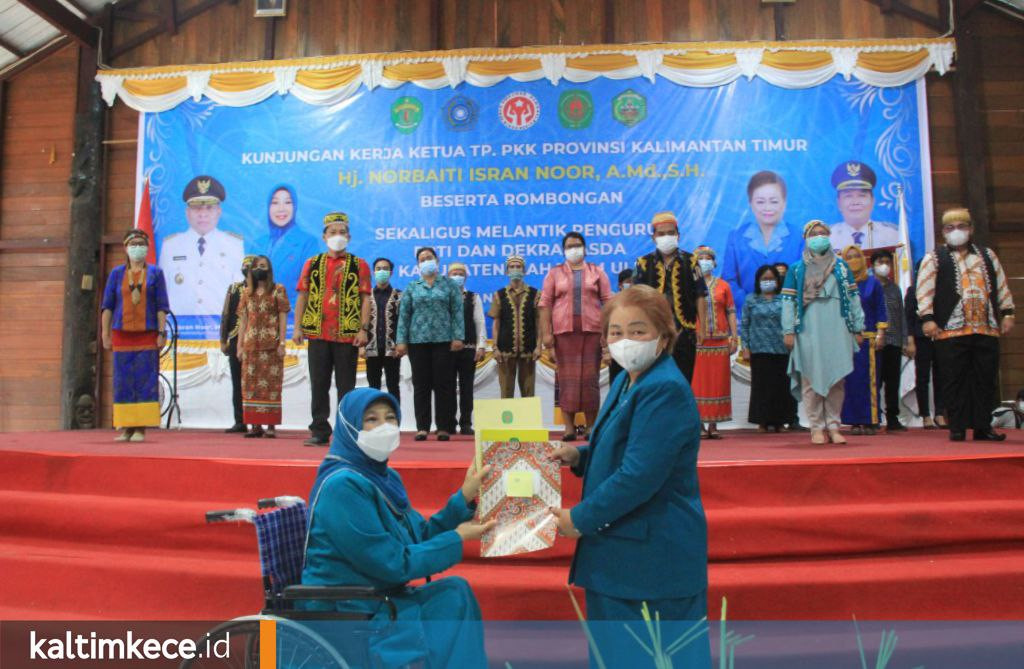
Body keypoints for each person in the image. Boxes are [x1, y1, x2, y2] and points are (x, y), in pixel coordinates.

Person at [549, 284, 709, 668]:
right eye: (616, 332)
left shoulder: (664, 388)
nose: (625, 341)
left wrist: (579, 519)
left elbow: (639, 475)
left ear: (664, 335)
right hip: (619, 552)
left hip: (651, 556)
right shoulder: (627, 379)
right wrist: (578, 456)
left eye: (638, 331)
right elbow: (624, 448)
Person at [301, 387, 492, 668]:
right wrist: (457, 538)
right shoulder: (342, 486)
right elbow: (392, 563)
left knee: (455, 592)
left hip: (377, 596)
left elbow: (419, 536)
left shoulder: (382, 477)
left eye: (391, 418)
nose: (385, 427)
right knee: (451, 601)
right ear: (349, 427)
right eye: (372, 420)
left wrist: (464, 497)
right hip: (349, 609)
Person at [916, 208, 1015, 442]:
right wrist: (927, 319)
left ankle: (983, 427)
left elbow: (1001, 285)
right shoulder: (934, 258)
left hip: (986, 327)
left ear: (970, 229)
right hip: (950, 330)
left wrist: (1008, 313)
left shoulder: (987, 255)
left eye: (961, 226)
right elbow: (924, 290)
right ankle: (957, 427)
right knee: (954, 380)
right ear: (943, 232)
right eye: (950, 228)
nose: (956, 232)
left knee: (985, 379)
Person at [782, 221, 865, 445]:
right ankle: (816, 428)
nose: (819, 237)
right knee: (810, 378)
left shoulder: (841, 267)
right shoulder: (797, 268)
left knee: (837, 378)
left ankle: (835, 426)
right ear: (806, 239)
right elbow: (788, 301)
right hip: (808, 327)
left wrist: (858, 327)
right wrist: (788, 330)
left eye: (823, 233)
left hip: (837, 325)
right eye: (814, 234)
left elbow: (854, 298)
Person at [293, 212, 372, 446]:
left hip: (347, 334)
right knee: (319, 383)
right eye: (332, 232)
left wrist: (363, 329)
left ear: (349, 236)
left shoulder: (359, 265)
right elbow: (302, 296)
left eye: (342, 233)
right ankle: (319, 429)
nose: (337, 236)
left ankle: (346, 430)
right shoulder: (312, 263)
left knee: (347, 385)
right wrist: (297, 327)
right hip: (317, 333)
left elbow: (366, 299)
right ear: (324, 236)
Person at [540, 232, 612, 441]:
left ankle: (591, 427)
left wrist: (609, 334)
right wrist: (547, 335)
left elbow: (608, 301)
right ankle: (569, 428)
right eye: (570, 246)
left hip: (592, 334)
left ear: (585, 248)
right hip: (564, 335)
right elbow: (545, 304)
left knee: (590, 380)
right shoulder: (555, 274)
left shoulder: (597, 272)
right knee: (566, 381)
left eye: (578, 245)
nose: (574, 249)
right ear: (564, 250)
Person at [100, 229, 170, 442]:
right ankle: (126, 427)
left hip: (147, 334)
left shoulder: (156, 274)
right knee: (123, 380)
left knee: (144, 379)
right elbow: (107, 306)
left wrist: (161, 332)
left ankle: (140, 427)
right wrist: (105, 333)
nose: (137, 248)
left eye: (141, 244)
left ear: (147, 248)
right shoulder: (116, 273)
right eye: (133, 244)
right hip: (121, 333)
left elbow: (161, 307)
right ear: (126, 247)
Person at [396, 247, 465, 442]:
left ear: (437, 260)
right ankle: (422, 427)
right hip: (417, 341)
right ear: (418, 264)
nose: (426, 261)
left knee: (443, 384)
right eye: (422, 259)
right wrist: (401, 341)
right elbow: (404, 316)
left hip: (444, 340)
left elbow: (457, 312)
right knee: (421, 384)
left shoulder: (449, 285)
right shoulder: (412, 287)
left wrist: (458, 336)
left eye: (429, 257)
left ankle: (443, 427)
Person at [633, 211, 707, 381]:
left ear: (678, 235)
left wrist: (701, 327)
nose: (666, 236)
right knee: (655, 379)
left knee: (684, 378)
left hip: (685, 330)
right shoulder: (643, 263)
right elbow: (636, 299)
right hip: (653, 331)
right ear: (653, 237)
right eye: (661, 233)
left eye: (670, 233)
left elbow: (701, 294)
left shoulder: (691, 261)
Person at [721, 171, 804, 318]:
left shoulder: (798, 237)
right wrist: (750, 303)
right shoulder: (736, 237)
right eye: (760, 201)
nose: (767, 208)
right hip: (747, 317)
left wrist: (782, 304)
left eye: (774, 201)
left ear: (784, 203)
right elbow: (729, 280)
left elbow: (803, 278)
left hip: (789, 316)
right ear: (750, 204)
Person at [159, 175, 244, 316]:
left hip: (219, 329)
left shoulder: (234, 245)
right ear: (187, 213)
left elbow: (239, 293)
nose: (203, 214)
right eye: (197, 208)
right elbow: (162, 292)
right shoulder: (170, 246)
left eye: (209, 208)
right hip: (180, 330)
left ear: (218, 212)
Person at [236, 255, 290, 438]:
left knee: (271, 386)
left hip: (271, 346)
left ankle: (271, 426)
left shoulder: (278, 290)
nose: (260, 269)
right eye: (257, 266)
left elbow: (283, 318)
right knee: (250, 385)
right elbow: (242, 322)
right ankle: (255, 425)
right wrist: (239, 346)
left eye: (264, 266)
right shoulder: (246, 293)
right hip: (250, 346)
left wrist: (282, 342)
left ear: (269, 269)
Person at [840, 245, 888, 435]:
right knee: (850, 382)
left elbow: (880, 309)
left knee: (870, 381)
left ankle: (870, 419)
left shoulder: (872, 283)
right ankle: (854, 421)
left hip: (868, 340)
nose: (853, 260)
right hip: (846, 341)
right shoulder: (840, 284)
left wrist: (881, 333)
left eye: (855, 256)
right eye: (848, 257)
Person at [741, 265, 796, 432]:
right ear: (758, 281)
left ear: (777, 281)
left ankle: (780, 422)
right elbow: (744, 324)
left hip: (782, 348)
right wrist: (745, 347)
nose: (768, 282)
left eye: (771, 279)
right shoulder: (751, 299)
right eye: (764, 279)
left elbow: (792, 321)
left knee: (781, 386)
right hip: (759, 349)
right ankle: (762, 421)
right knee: (761, 387)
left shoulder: (784, 299)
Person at [691, 246, 737, 439]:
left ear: (714, 262)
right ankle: (699, 424)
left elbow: (731, 311)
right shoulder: (690, 286)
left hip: (719, 341)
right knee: (698, 383)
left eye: (708, 258)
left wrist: (733, 336)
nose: (704, 261)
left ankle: (714, 424)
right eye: (700, 258)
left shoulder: (723, 286)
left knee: (718, 383)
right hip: (698, 341)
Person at [871, 249, 915, 432]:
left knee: (893, 382)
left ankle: (892, 418)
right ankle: (873, 418)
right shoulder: (868, 286)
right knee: (875, 381)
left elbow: (901, 316)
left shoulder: (894, 287)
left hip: (894, 341)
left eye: (887, 262)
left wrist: (906, 341)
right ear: (872, 265)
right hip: (874, 342)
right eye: (880, 261)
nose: (884, 265)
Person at [489, 255, 541, 399]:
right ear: (507, 271)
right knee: (506, 393)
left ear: (524, 270)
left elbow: (539, 322)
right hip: (505, 351)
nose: (515, 269)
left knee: (529, 393)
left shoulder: (535, 294)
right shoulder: (499, 295)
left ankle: (529, 422)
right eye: (512, 267)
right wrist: (495, 347)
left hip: (528, 351)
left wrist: (538, 346)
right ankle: (508, 422)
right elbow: (496, 323)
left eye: (518, 266)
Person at [264, 184, 321, 307]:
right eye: (275, 203)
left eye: (287, 202)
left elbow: (312, 290)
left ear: (295, 207)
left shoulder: (308, 243)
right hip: (259, 320)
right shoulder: (258, 243)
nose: (281, 209)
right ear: (268, 207)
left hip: (291, 319)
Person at [905, 262, 946, 429]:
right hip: (921, 338)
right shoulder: (913, 290)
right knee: (922, 377)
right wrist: (910, 340)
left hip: (941, 336)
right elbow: (909, 317)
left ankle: (940, 413)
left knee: (941, 376)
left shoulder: (942, 289)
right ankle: (925, 414)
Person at [447, 262, 487, 435]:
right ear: (448, 277)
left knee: (466, 388)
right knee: (447, 387)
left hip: (469, 348)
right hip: (446, 350)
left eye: (460, 273)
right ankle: (449, 422)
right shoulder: (443, 297)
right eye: (454, 273)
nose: (457, 275)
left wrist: (482, 346)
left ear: (466, 277)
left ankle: (465, 423)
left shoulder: (473, 297)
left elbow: (480, 322)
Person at [828, 161, 899, 252]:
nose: (855, 202)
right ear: (839, 203)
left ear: (872, 201)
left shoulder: (892, 235)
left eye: (862, 195)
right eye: (848, 196)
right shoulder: (828, 238)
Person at [219, 255, 254, 434]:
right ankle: (240, 420)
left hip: (257, 340)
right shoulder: (234, 289)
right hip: (234, 339)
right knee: (237, 382)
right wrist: (223, 340)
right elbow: (226, 314)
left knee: (255, 382)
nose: (248, 271)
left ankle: (257, 421)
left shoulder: (265, 289)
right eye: (246, 268)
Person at [364, 257, 403, 404]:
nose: (382, 271)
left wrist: (401, 343)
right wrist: (361, 346)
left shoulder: (400, 296)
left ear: (391, 273)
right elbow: (361, 322)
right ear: (374, 272)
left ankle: (395, 420)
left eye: (385, 269)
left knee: (393, 386)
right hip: (371, 347)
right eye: (379, 269)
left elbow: (403, 323)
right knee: (373, 387)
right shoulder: (366, 296)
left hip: (392, 349)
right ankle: (375, 421)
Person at [607, 268, 635, 386]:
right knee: (616, 381)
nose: (632, 285)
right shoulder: (612, 302)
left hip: (635, 348)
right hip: (617, 348)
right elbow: (607, 327)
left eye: (634, 282)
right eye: (629, 281)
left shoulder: (641, 302)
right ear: (620, 285)